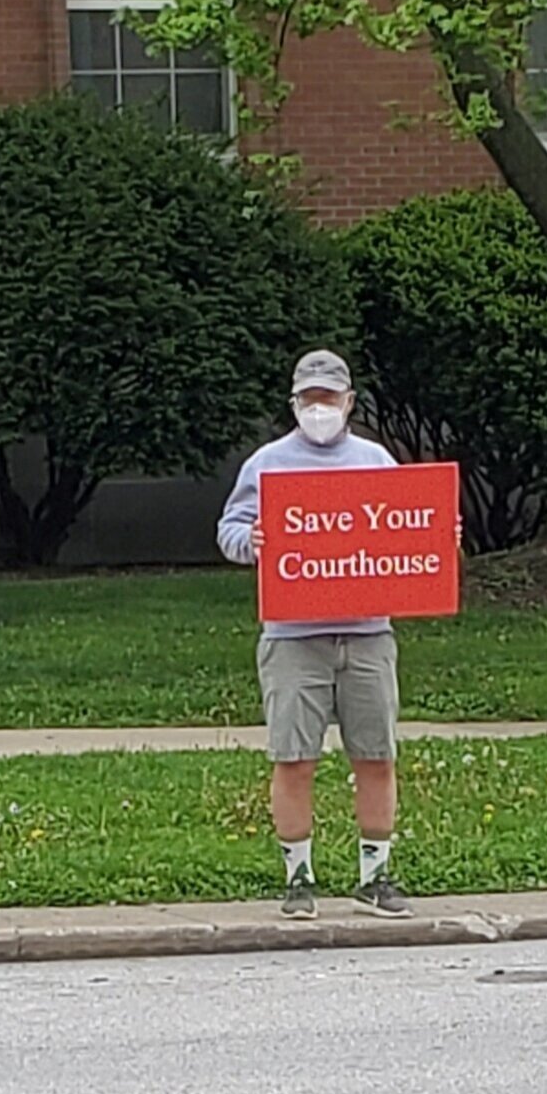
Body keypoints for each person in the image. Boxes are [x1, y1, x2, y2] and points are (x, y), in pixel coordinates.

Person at [216, 349, 410, 921]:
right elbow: (229, 530)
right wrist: (251, 543)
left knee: (376, 755)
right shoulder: (267, 463)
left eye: (330, 398)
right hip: (293, 636)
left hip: (369, 633)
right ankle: (298, 878)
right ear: (295, 404)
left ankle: (375, 877)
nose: (320, 408)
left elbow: (406, 527)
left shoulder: (376, 460)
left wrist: (435, 538)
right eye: (310, 399)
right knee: (293, 757)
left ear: (349, 402)